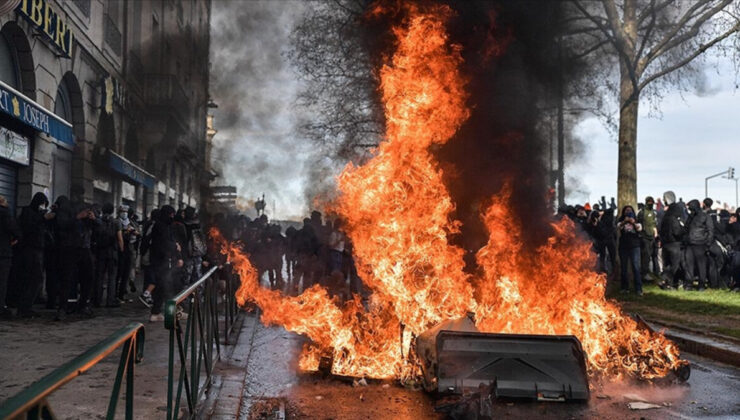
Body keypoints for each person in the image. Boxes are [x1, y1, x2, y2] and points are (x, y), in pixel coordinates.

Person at [54, 188, 98, 321]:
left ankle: (83, 305)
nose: (78, 196)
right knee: (66, 279)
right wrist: (77, 217)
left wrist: (93, 219)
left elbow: (96, 228)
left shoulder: (86, 207)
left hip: (84, 247)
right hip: (69, 248)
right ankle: (62, 307)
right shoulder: (65, 208)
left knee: (88, 277)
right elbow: (61, 224)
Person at [17, 193, 52, 318]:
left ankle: (26, 306)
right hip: (29, 250)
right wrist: (43, 218)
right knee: (34, 279)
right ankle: (24, 307)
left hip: (37, 250)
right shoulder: (27, 212)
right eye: (42, 204)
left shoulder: (37, 215)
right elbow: (28, 227)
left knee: (34, 279)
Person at [149, 205, 182, 322]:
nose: (172, 217)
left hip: (166, 260)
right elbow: (163, 243)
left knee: (163, 286)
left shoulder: (167, 226)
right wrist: (175, 247)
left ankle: (157, 312)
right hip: (160, 261)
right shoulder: (160, 226)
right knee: (164, 286)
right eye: (171, 215)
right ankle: (163, 312)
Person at [658, 191, 686, 289]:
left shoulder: (669, 213)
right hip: (673, 242)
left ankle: (667, 281)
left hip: (669, 242)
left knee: (670, 264)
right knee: (673, 264)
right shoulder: (675, 212)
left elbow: (664, 228)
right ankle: (669, 282)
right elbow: (679, 228)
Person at [95, 203, 121, 307]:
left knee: (99, 277)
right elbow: (119, 238)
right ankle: (110, 301)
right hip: (112, 253)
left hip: (100, 252)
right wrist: (121, 250)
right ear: (112, 211)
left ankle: (97, 300)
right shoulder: (116, 222)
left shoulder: (98, 221)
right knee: (112, 277)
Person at [684, 199, 712, 291]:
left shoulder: (704, 216)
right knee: (691, 265)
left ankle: (700, 285)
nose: (690, 211)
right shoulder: (695, 216)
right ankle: (692, 284)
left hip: (699, 244)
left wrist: (707, 244)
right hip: (693, 243)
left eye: (691, 209)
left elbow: (710, 231)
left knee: (699, 266)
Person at [0, 195, 20, 319]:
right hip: (3, 253)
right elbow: (15, 230)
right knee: (2, 282)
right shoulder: (5, 214)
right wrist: (16, 239)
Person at [617, 205, 643, 295]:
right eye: (626, 210)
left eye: (630, 210)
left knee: (636, 267)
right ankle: (624, 288)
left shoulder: (637, 221)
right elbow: (619, 227)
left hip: (635, 246)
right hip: (623, 246)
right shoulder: (621, 221)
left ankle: (638, 289)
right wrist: (625, 221)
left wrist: (633, 222)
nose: (628, 212)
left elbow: (639, 229)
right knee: (624, 268)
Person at [116, 205, 139, 301]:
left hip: (129, 249)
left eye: (126, 211)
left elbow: (138, 233)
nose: (124, 213)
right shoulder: (116, 222)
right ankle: (115, 294)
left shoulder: (130, 222)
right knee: (119, 273)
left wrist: (133, 232)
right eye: (122, 211)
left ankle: (121, 294)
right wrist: (126, 232)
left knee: (126, 273)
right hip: (120, 250)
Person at [138, 208, 159, 307]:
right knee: (152, 279)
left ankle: (147, 296)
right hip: (150, 255)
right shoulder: (154, 226)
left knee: (148, 277)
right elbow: (147, 241)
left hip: (147, 255)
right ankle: (146, 295)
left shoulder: (149, 224)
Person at [637, 196, 659, 279]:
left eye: (652, 202)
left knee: (651, 255)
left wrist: (655, 233)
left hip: (652, 236)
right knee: (645, 256)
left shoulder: (653, 212)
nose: (651, 204)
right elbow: (639, 224)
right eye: (649, 202)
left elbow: (654, 224)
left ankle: (651, 272)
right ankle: (644, 273)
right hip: (644, 237)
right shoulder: (642, 212)